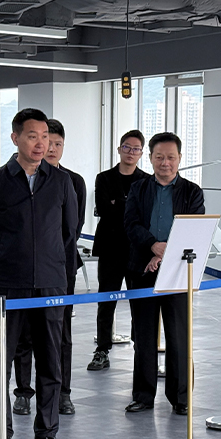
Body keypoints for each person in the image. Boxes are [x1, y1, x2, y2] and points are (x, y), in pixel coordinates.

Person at [0, 108, 78, 439]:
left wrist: (59, 277)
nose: (41, 143)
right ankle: (1, 434)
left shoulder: (60, 182)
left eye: (45, 137)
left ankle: (46, 432)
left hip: (51, 285)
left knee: (51, 362)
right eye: (33, 136)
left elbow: (69, 234)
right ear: (15, 138)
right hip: (7, 285)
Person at [124, 132, 204, 415]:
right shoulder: (138, 188)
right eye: (159, 157)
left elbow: (193, 228)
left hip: (179, 272)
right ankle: (143, 396)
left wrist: (164, 255)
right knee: (144, 336)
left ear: (180, 158)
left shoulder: (192, 192)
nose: (165, 163)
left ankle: (181, 398)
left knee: (178, 336)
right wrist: (152, 246)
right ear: (150, 158)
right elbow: (131, 224)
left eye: (171, 157)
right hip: (141, 269)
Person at [11, 119, 87, 416]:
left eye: (56, 143)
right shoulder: (16, 178)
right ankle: (23, 392)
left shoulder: (71, 181)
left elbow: (72, 229)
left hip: (60, 269)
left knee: (60, 334)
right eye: (44, 141)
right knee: (23, 334)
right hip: (22, 272)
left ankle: (62, 392)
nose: (50, 148)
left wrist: (52, 257)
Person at [87, 130, 149, 372]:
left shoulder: (147, 181)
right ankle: (102, 349)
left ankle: (141, 348)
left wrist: (119, 203)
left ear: (141, 153)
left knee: (139, 302)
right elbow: (104, 209)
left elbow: (144, 215)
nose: (131, 152)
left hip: (137, 250)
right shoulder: (104, 178)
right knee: (106, 300)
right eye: (127, 147)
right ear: (119, 149)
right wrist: (128, 208)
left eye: (136, 149)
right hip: (110, 248)